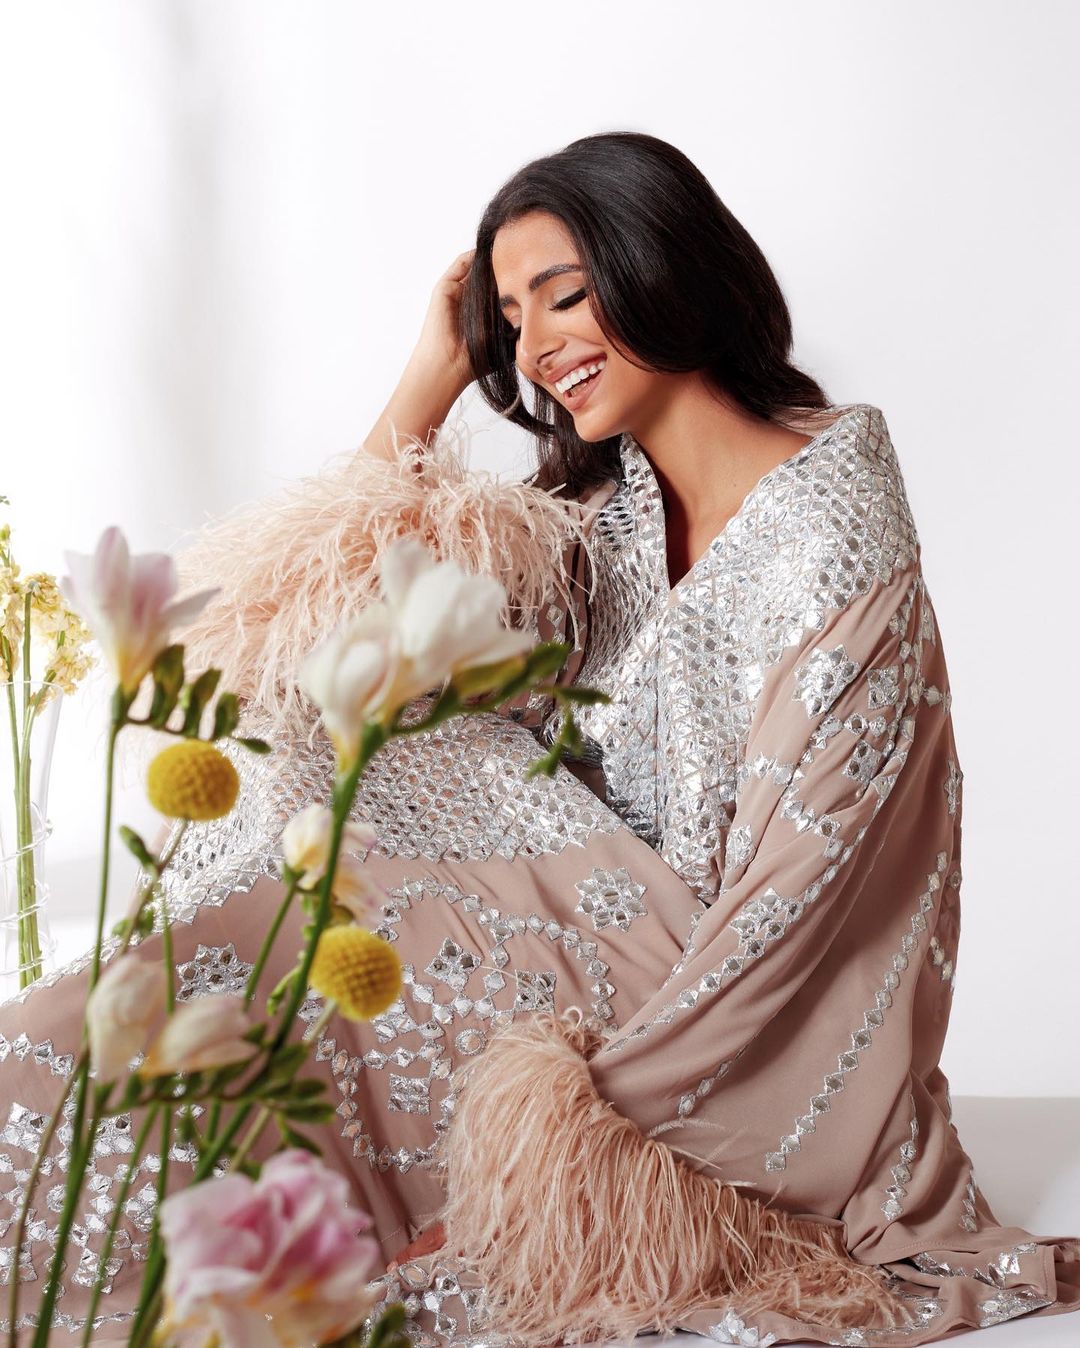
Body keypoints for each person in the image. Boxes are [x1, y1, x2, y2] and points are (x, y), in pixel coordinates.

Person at [2, 130, 1078, 1348]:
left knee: (350, 833)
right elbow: (312, 655)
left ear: (664, 264)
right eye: (510, 320)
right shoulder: (599, 520)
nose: (536, 347)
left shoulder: (836, 532)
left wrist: (568, 1145)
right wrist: (427, 379)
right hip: (548, 941)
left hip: (706, 1015)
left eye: (564, 295)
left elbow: (808, 897)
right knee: (314, 781)